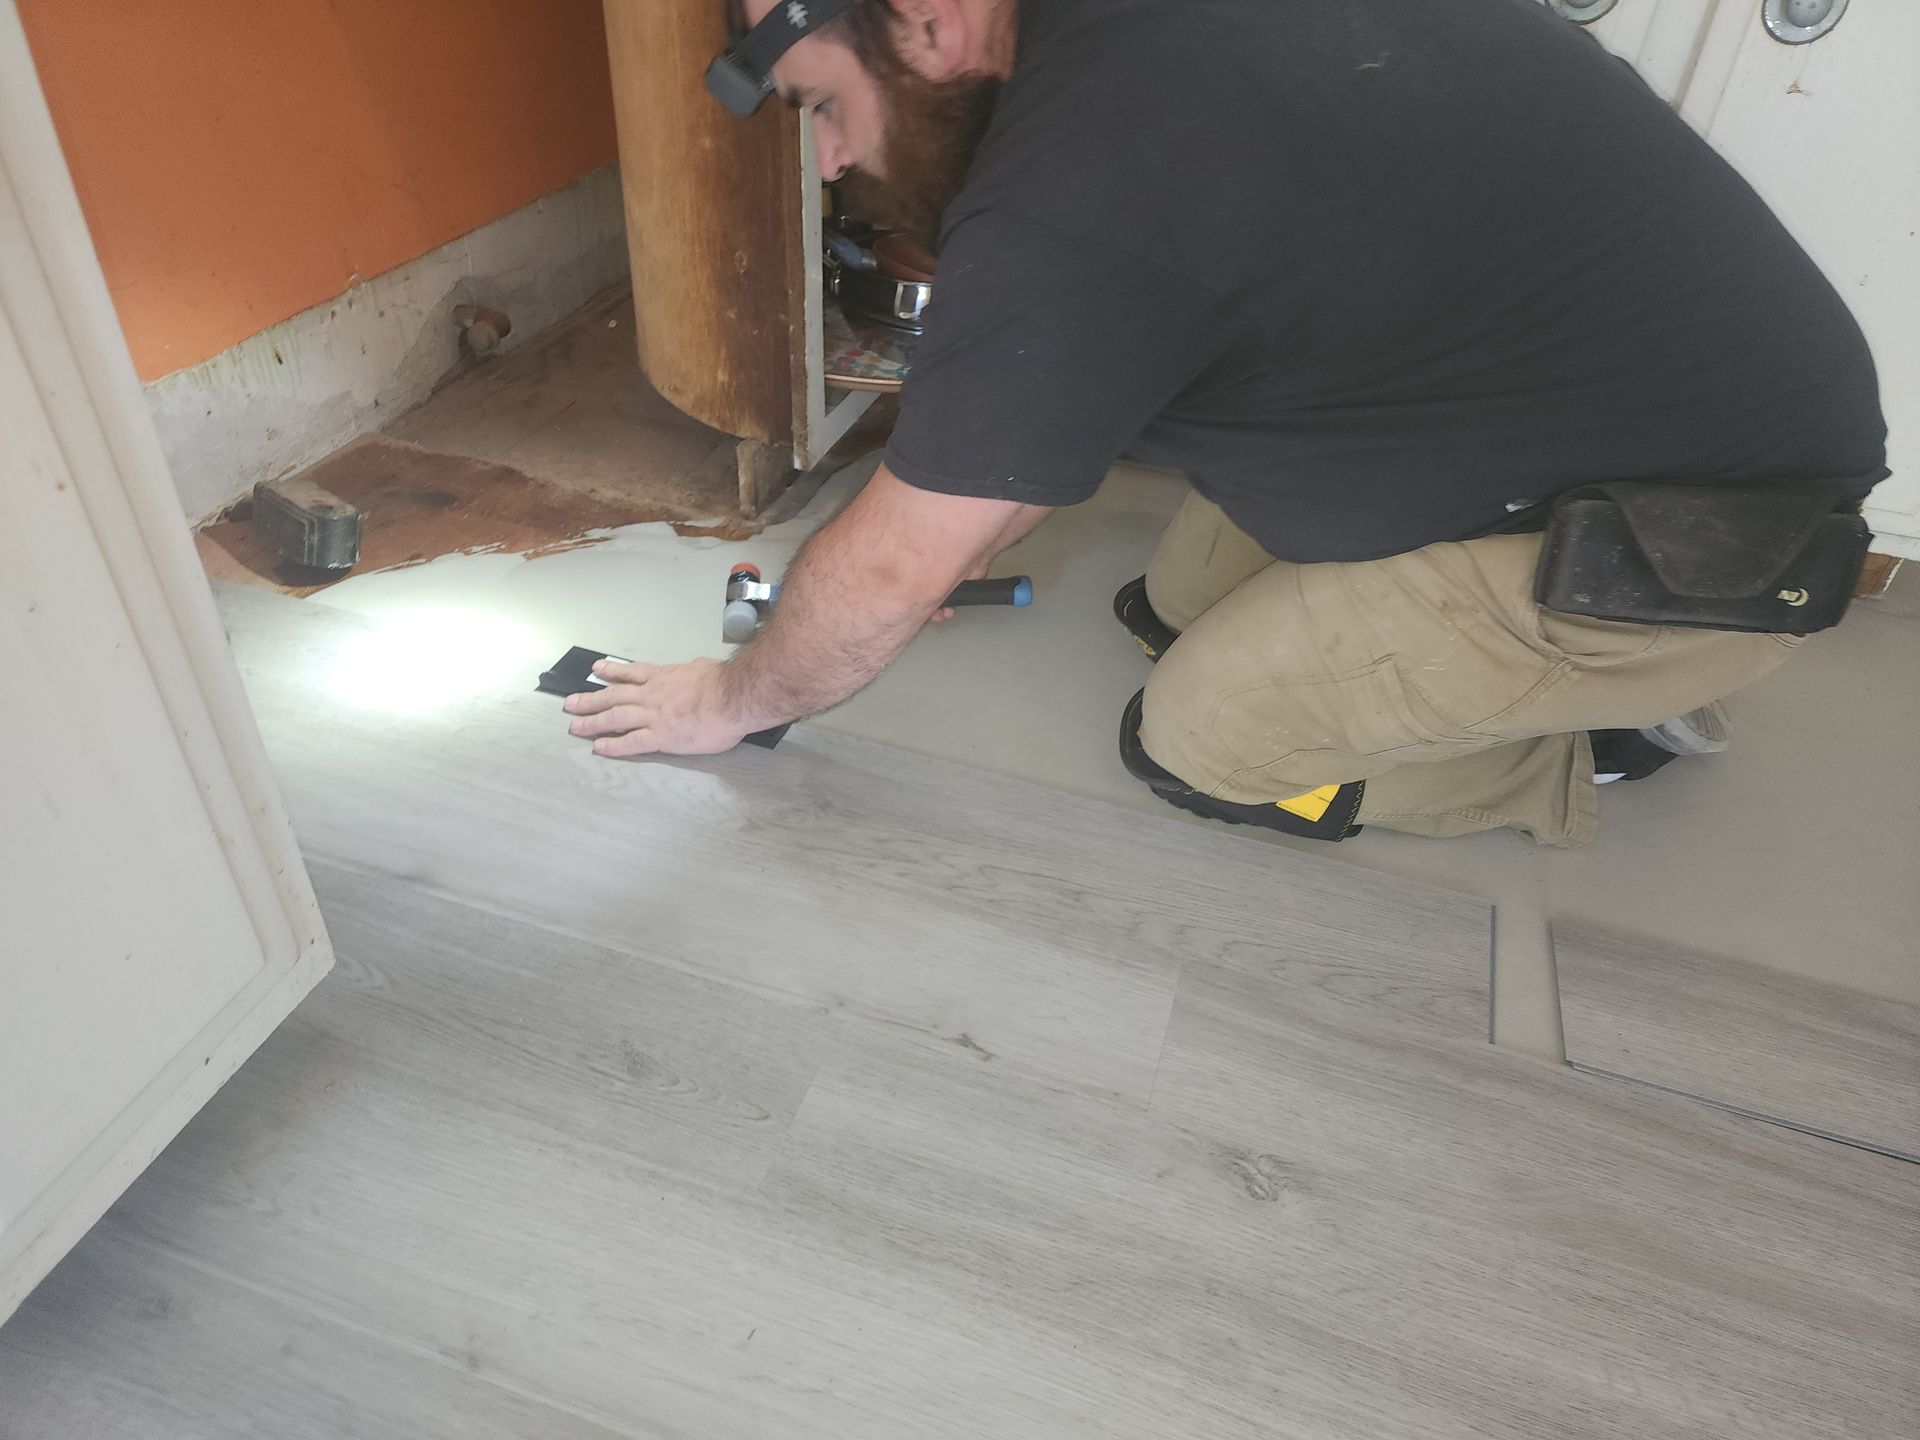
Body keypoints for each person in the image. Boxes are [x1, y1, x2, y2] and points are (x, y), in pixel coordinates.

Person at [565, 0, 1887, 847]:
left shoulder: (1075, 200)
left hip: (1695, 544)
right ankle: (1554, 669)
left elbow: (903, 558)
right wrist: (942, 531)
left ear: (927, 22)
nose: (831, 160)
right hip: (1583, 421)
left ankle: (1589, 732)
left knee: (1200, 743)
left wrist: (738, 696)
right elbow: (1002, 467)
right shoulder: (1115, 57)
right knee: (1170, 598)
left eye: (820, 106)